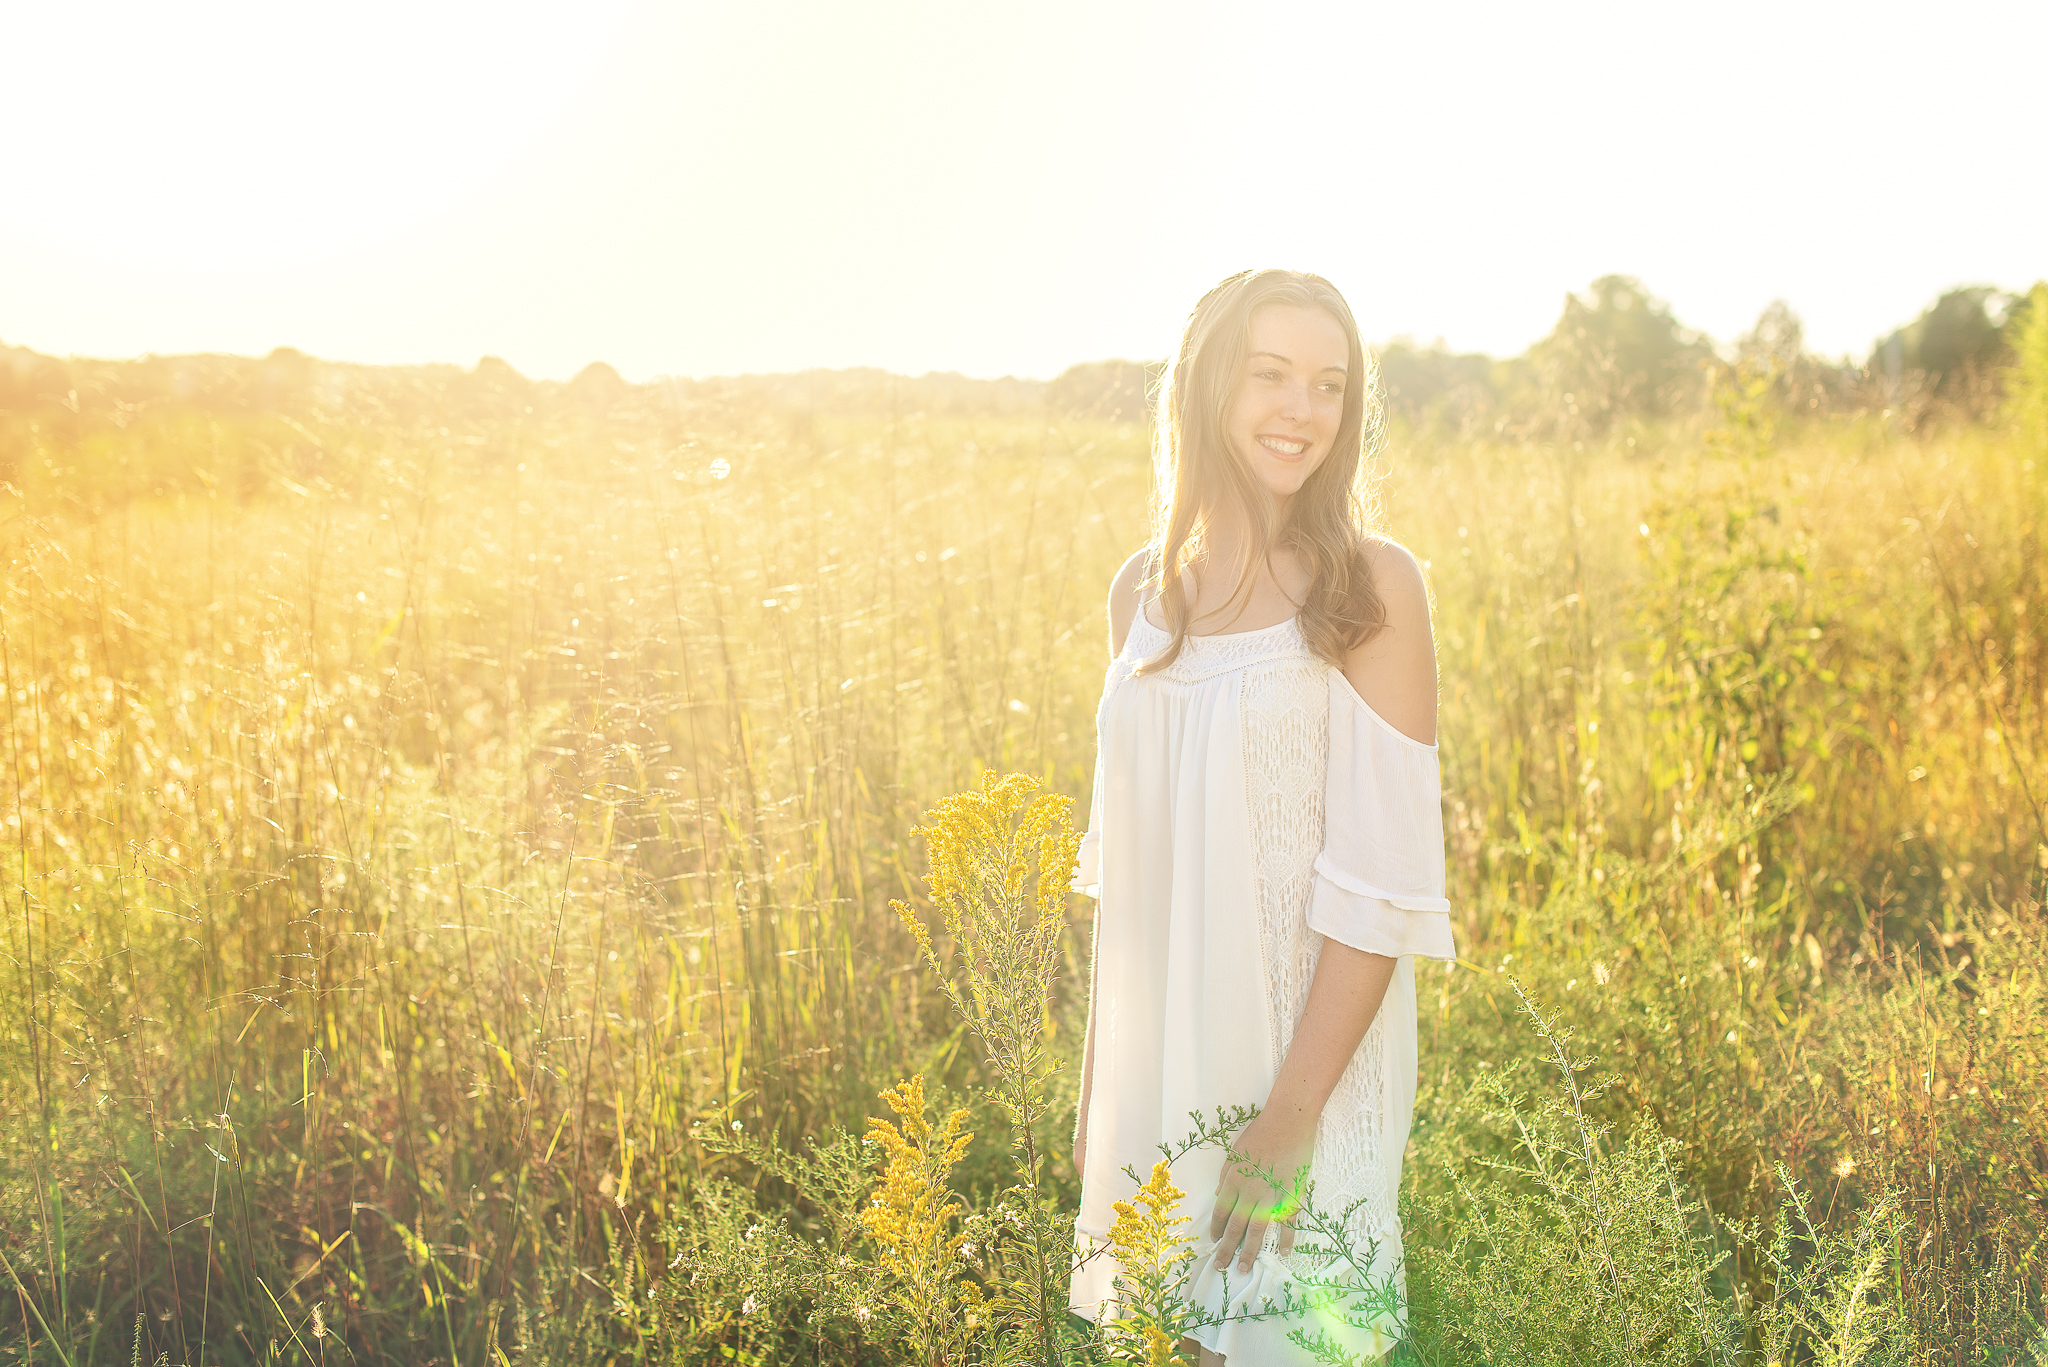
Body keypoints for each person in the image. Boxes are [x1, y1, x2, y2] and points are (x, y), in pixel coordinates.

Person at [1067, 268, 1456, 1364]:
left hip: (1307, 1072)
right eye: (1271, 374)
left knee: (1299, 1342)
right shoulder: (1138, 596)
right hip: (1166, 1064)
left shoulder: (1371, 587)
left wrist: (1285, 1126)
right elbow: (1128, 893)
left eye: (1329, 386)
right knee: (1172, 1347)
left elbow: (1379, 888)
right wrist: (1102, 1110)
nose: (1302, 410)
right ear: (1204, 386)